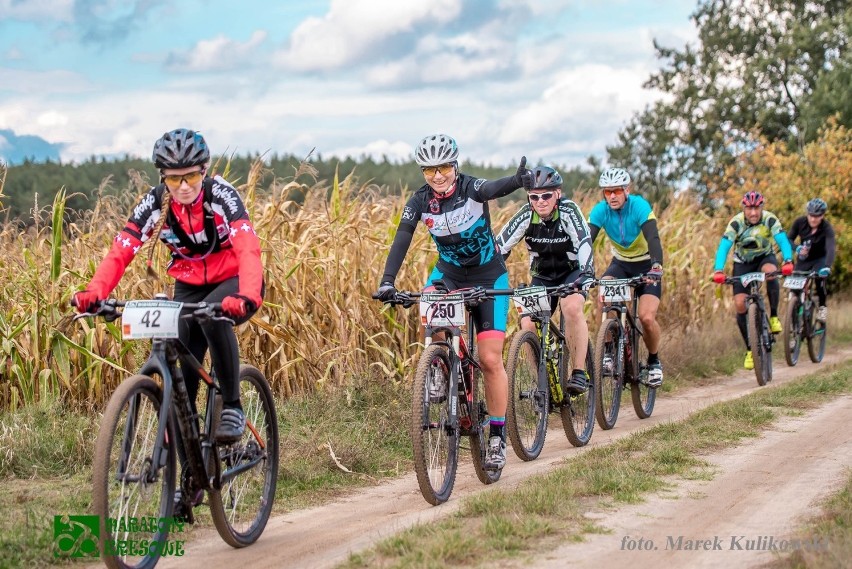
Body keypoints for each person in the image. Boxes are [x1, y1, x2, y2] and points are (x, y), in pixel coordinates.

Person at [72, 128, 264, 519]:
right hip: (188, 282)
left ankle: (231, 405)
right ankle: (191, 481)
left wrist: (247, 295)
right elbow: (122, 248)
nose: (183, 186)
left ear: (204, 171)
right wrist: (95, 292)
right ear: (163, 177)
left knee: (213, 319)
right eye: (174, 178)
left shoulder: (221, 195)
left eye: (191, 176)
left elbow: (247, 246)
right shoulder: (155, 203)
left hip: (230, 279)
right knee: (181, 387)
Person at [375, 133, 533, 472]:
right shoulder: (419, 202)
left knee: (490, 359)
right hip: (448, 274)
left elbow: (492, 189)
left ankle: (496, 436)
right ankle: (439, 366)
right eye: (429, 170)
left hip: (488, 275)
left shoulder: (470, 188)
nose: (437, 176)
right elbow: (402, 238)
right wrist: (388, 281)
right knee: (429, 300)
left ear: (455, 165)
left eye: (444, 167)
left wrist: (517, 182)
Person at [495, 165, 595, 395]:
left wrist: (586, 272)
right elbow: (500, 247)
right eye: (534, 196)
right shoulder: (526, 214)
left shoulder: (569, 211)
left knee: (571, 307)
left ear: (557, 194)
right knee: (528, 322)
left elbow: (583, 241)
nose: (540, 201)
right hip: (542, 276)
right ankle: (542, 381)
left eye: (546, 195)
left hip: (571, 274)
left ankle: (579, 371)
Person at [588, 167, 664, 388]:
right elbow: (586, 242)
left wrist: (656, 266)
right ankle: (610, 351)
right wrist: (579, 269)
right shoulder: (601, 210)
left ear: (626, 190)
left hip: (646, 264)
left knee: (647, 318)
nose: (612, 196)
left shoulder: (639, 206)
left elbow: (653, 237)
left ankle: (653, 361)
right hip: (621, 264)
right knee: (605, 297)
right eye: (607, 192)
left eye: (617, 191)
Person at [712, 191, 793, 370]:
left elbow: (782, 240)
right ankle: (750, 349)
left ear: (762, 207)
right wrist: (718, 269)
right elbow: (724, 246)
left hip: (765, 258)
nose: (754, 213)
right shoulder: (736, 223)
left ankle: (773, 316)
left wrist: (788, 260)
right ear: (744, 208)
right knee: (740, 304)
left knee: (771, 273)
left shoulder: (770, 219)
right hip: (743, 263)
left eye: (757, 208)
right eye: (749, 208)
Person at [786, 197, 835, 322]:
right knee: (793, 291)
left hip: (820, 259)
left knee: (820, 280)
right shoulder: (799, 222)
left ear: (822, 216)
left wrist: (827, 267)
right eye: (811, 215)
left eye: (817, 216)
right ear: (807, 214)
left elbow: (830, 248)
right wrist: (796, 248)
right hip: (804, 259)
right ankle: (794, 326)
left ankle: (823, 308)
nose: (813, 219)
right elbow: (788, 239)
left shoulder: (827, 228)